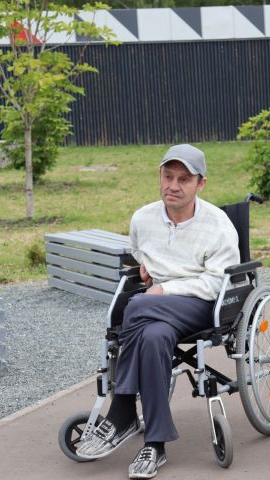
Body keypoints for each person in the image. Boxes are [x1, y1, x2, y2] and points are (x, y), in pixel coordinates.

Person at [76, 144, 239, 479]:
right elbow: (138, 252)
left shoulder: (218, 225)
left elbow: (217, 283)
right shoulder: (143, 218)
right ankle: (155, 443)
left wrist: (165, 289)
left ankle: (121, 411)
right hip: (155, 313)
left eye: (183, 179)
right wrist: (147, 269)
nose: (173, 186)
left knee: (135, 306)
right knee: (153, 336)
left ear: (200, 184)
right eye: (167, 176)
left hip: (200, 304)